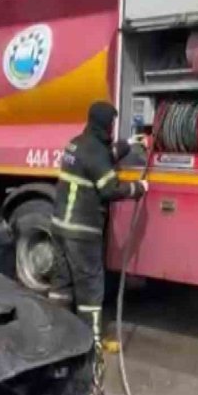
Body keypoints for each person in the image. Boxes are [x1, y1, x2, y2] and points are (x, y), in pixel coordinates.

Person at [49, 101, 148, 351]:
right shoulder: (95, 152)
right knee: (91, 289)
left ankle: (57, 335)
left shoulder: (77, 143)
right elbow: (109, 189)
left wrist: (130, 144)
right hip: (82, 233)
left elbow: (102, 157)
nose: (113, 128)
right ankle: (91, 344)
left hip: (59, 228)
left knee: (62, 285)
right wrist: (138, 188)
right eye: (112, 123)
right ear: (105, 124)